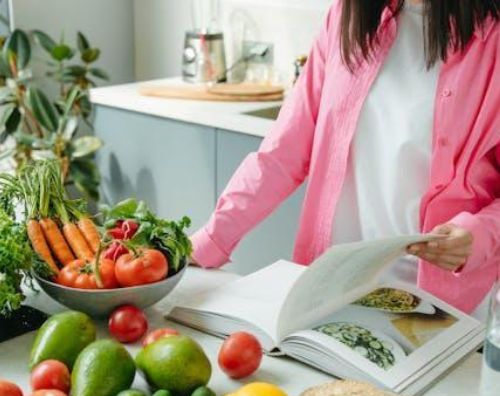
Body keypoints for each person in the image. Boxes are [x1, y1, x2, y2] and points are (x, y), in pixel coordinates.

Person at [191, 0, 500, 320]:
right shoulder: (346, 17)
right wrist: (210, 240)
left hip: (438, 307)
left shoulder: (493, 39)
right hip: (335, 289)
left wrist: (479, 236)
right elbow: (283, 152)